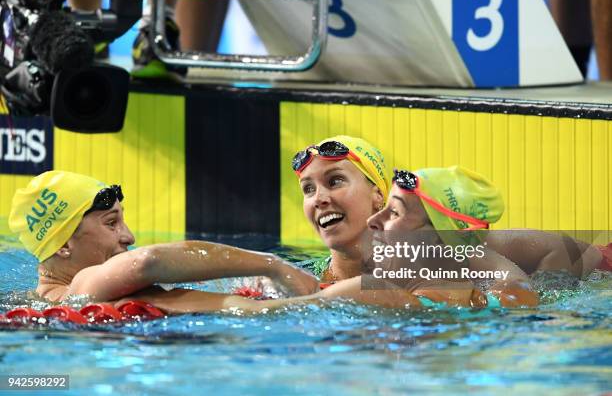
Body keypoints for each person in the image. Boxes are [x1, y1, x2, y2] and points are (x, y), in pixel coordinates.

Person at [9, 170, 479, 314]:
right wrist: (272, 265)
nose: (128, 236)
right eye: (112, 224)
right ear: (63, 244)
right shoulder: (78, 289)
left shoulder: (51, 306)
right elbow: (149, 260)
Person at [367, 166, 607, 306]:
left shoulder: (479, 256)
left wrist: (544, 295)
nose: (372, 221)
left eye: (395, 212)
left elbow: (520, 290)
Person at [292, 135, 390, 283]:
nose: (318, 199)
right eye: (309, 188)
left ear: (378, 195)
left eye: (335, 181)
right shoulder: (295, 278)